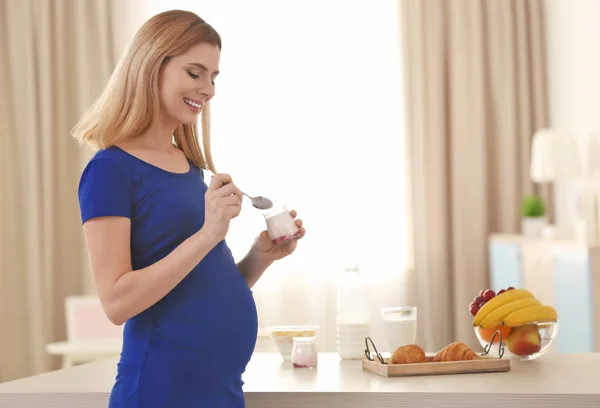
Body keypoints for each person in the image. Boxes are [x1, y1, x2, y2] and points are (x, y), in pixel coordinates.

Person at [72, 10, 305, 408]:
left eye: (213, 77)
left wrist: (257, 259)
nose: (208, 88)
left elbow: (195, 287)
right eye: (195, 72)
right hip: (160, 392)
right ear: (151, 66)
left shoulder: (189, 165)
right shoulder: (110, 170)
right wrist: (208, 234)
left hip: (220, 392)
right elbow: (116, 302)